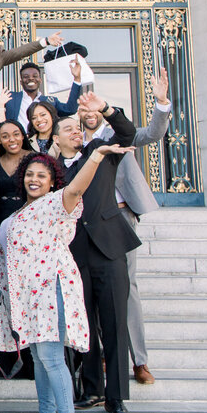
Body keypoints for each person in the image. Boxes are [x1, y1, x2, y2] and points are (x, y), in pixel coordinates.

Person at [0, 145, 131, 413]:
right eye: (29, 174)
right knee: (40, 359)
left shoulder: (57, 203)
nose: (34, 179)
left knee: (52, 359)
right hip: (28, 297)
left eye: (42, 175)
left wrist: (95, 157)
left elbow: (78, 185)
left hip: (51, 290)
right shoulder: (17, 215)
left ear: (52, 181)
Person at [79, 66, 173, 386]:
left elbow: (152, 134)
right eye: (84, 108)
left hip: (120, 217)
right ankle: (106, 354)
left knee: (127, 289)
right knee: (93, 289)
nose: (89, 112)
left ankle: (140, 361)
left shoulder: (119, 135)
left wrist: (161, 103)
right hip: (86, 223)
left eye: (95, 108)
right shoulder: (72, 141)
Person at [51, 93, 139, 413]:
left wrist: (104, 109)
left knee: (115, 323)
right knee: (82, 324)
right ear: (55, 139)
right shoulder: (52, 170)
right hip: (73, 256)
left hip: (109, 249)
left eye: (78, 127)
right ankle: (91, 390)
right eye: (68, 128)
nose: (75, 132)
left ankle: (116, 399)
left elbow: (127, 133)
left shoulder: (101, 154)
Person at [0, 61, 84, 130]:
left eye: (35, 76)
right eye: (26, 76)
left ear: (40, 80)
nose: (31, 78)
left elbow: (70, 109)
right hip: (19, 145)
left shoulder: (50, 101)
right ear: (21, 82)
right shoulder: (9, 97)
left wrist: (77, 79)